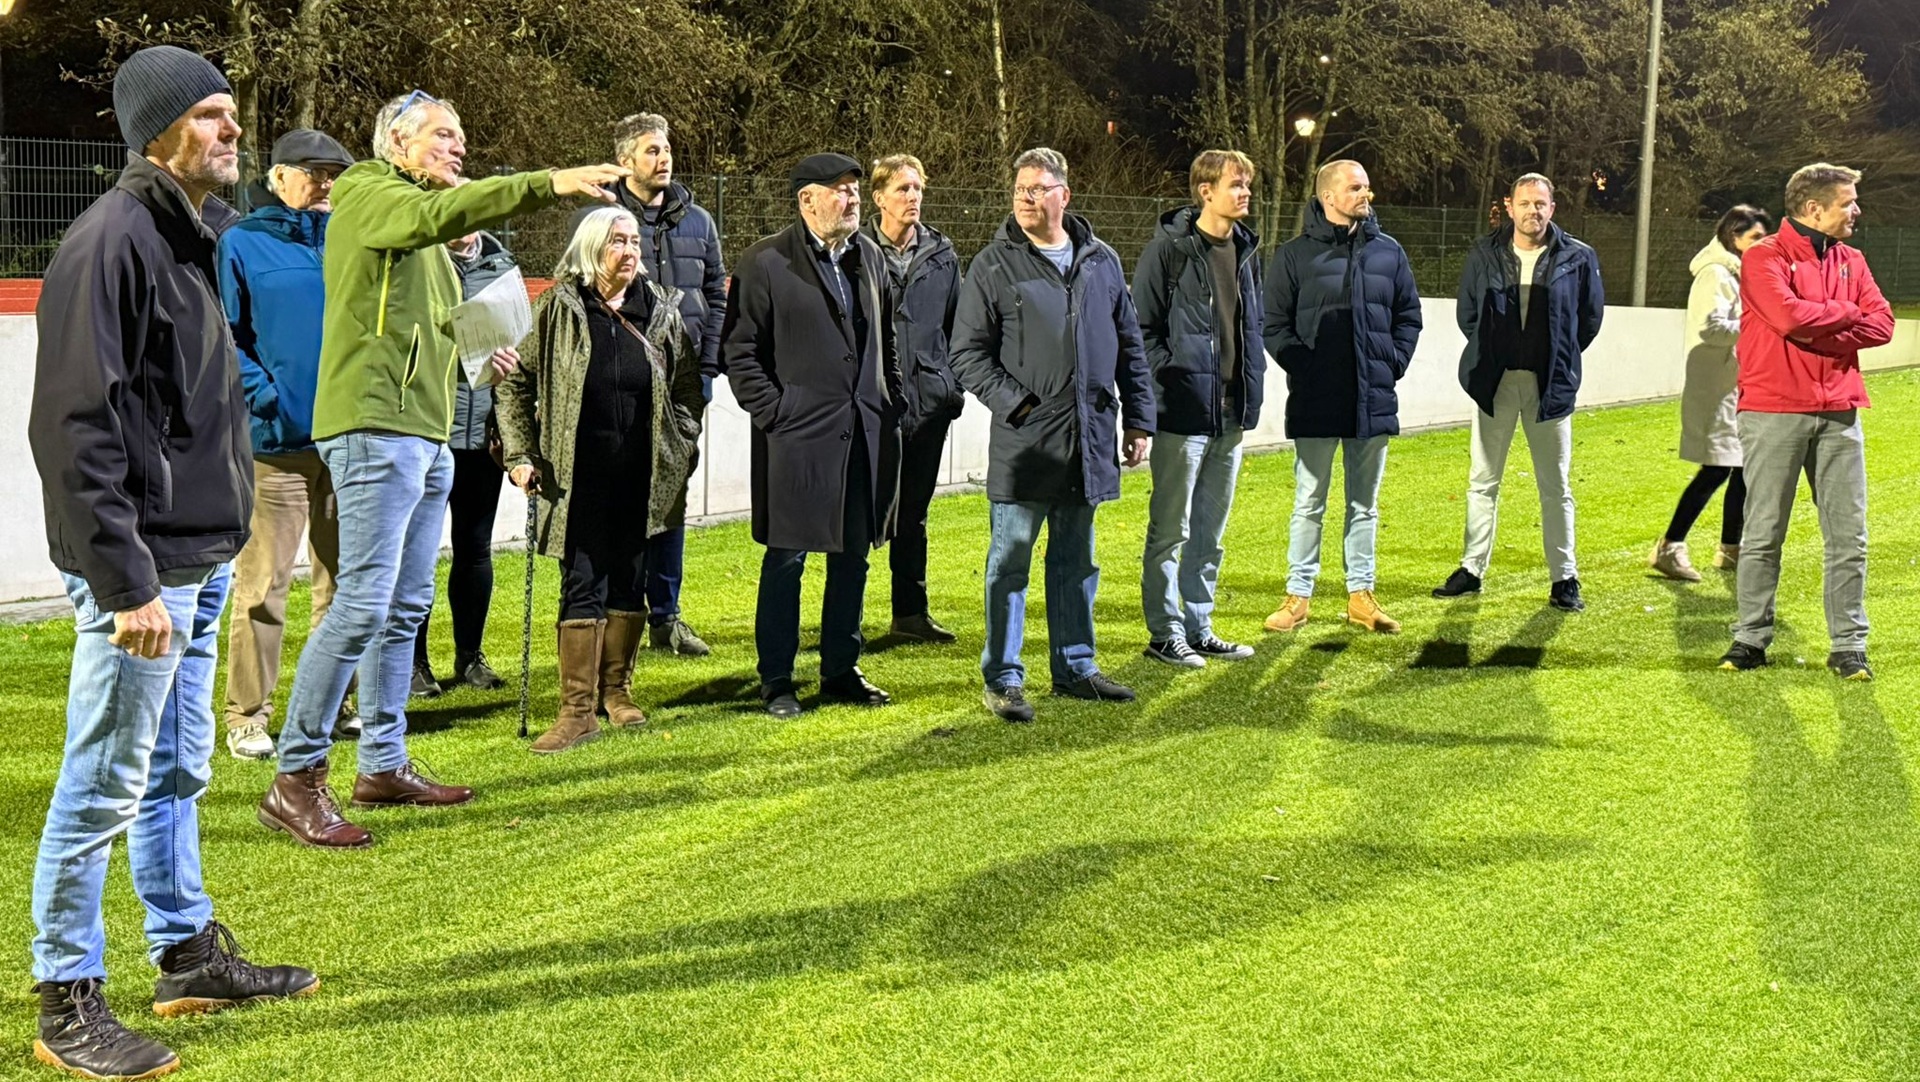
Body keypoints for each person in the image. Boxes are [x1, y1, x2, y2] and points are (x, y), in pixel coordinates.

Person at [26, 46, 317, 1080]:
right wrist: (125, 582)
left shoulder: (198, 234)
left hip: (194, 557)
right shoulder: (111, 240)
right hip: (142, 572)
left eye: (231, 112)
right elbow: (74, 426)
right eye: (206, 115)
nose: (231, 129)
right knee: (103, 780)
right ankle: (65, 997)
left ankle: (187, 951)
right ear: (154, 132)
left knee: (175, 769)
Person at [256, 90, 628, 848]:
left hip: (423, 433)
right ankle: (295, 777)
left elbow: (413, 325)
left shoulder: (418, 228)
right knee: (362, 604)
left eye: (461, 137)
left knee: (402, 606)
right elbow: (430, 220)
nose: (459, 147)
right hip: (373, 426)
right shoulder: (367, 189)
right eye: (443, 135)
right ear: (397, 142)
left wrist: (475, 354)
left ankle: (382, 764)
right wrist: (547, 182)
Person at [949, 147, 1154, 723]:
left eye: (1038, 188)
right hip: (1026, 445)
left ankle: (1076, 667)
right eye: (1020, 189)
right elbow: (966, 353)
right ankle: (1004, 678)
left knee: (1076, 561)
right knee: (1009, 564)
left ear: (1064, 195)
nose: (1026, 198)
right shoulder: (993, 264)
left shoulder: (1101, 260)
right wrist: (1018, 405)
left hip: (1088, 441)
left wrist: (1139, 419)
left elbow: (1130, 346)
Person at [497, 207, 704, 751]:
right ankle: (577, 710)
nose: (630, 250)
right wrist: (520, 453)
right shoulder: (558, 309)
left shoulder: (659, 310)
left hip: (643, 475)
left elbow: (686, 387)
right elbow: (514, 380)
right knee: (583, 582)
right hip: (576, 476)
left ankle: (617, 692)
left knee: (631, 580)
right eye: (617, 241)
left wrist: (681, 442)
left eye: (634, 241)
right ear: (591, 248)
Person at [722, 152, 903, 718]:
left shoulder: (870, 257)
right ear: (807, 200)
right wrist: (778, 414)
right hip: (796, 441)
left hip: (863, 434)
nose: (852, 199)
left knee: (853, 557)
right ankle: (776, 679)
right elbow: (740, 352)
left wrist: (891, 399)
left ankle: (840, 669)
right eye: (840, 190)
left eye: (854, 190)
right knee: (787, 560)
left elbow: (887, 340)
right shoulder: (765, 262)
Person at [218, 128, 361, 760]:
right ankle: (248, 716)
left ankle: (335, 705)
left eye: (334, 174)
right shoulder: (241, 242)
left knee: (343, 585)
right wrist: (265, 395)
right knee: (263, 587)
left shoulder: (349, 239)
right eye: (314, 172)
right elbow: (226, 335)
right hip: (276, 446)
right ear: (278, 176)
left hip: (347, 441)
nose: (326, 183)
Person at [1720, 163, 1894, 679]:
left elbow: (1882, 324)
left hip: (1840, 410)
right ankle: (1750, 639)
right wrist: (1846, 312)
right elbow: (1789, 317)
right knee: (1763, 532)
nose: (1857, 210)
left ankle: (1849, 645)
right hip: (1773, 409)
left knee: (1849, 536)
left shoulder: (1852, 259)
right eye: (1848, 202)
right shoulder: (1764, 257)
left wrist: (1820, 323)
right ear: (1814, 208)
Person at [1261, 159, 1422, 636]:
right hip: (1315, 399)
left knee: (1364, 505)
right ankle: (1298, 596)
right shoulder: (1294, 256)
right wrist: (1306, 367)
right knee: (1309, 501)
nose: (1365, 195)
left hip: (1372, 399)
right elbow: (1274, 325)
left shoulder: (1389, 252)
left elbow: (1408, 317)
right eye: (1355, 188)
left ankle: (1361, 596)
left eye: (1366, 187)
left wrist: (1391, 364)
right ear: (1328, 196)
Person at [1433, 173, 1604, 612]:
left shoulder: (1578, 257)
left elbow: (1588, 321)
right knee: (1483, 480)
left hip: (1550, 385)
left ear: (1552, 208)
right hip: (1496, 382)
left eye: (1540, 203)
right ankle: (1471, 569)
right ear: (1509, 207)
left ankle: (1564, 578)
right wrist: (1494, 354)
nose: (1533, 211)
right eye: (1525, 203)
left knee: (1556, 485)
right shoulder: (1484, 253)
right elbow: (1469, 315)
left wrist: (1557, 357)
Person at [1132, 149, 1265, 666]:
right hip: (1183, 413)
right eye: (1236, 184)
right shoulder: (1168, 252)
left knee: (1210, 532)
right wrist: (1176, 376)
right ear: (1205, 191)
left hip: (1231, 413)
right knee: (1171, 530)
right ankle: (1164, 633)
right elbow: (1141, 331)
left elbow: (1250, 328)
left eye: (1247, 184)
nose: (1245, 192)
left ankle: (1199, 625)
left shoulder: (1246, 251)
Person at [610, 112, 727, 657]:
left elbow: (716, 295)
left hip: (684, 383)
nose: (663, 159)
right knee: (624, 498)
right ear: (625, 160)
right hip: (621, 382)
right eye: (652, 151)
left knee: (672, 496)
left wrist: (706, 367)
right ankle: (622, 611)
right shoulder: (602, 218)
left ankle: (667, 615)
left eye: (666, 150)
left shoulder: (698, 220)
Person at [410, 224, 519, 696]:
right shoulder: (417, 261)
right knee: (416, 554)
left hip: (482, 437)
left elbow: (519, 349)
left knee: (475, 548)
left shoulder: (501, 266)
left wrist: (507, 416)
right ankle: (413, 662)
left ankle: (470, 656)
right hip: (428, 431)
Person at [862, 153, 965, 643]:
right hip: (872, 405)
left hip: (928, 405)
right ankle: (845, 620)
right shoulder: (855, 251)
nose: (913, 197)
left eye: (918, 189)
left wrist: (951, 387)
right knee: (861, 513)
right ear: (878, 198)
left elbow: (958, 329)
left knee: (914, 513)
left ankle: (910, 614)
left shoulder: (943, 255)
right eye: (903, 189)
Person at [1651, 204, 1772, 582]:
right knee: (1718, 468)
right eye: (1755, 237)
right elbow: (1711, 328)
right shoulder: (1715, 274)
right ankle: (1670, 546)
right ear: (1733, 236)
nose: (1762, 244)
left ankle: (1730, 549)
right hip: (1717, 386)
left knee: (1743, 467)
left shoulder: (1740, 274)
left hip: (1737, 383)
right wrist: (1758, 325)